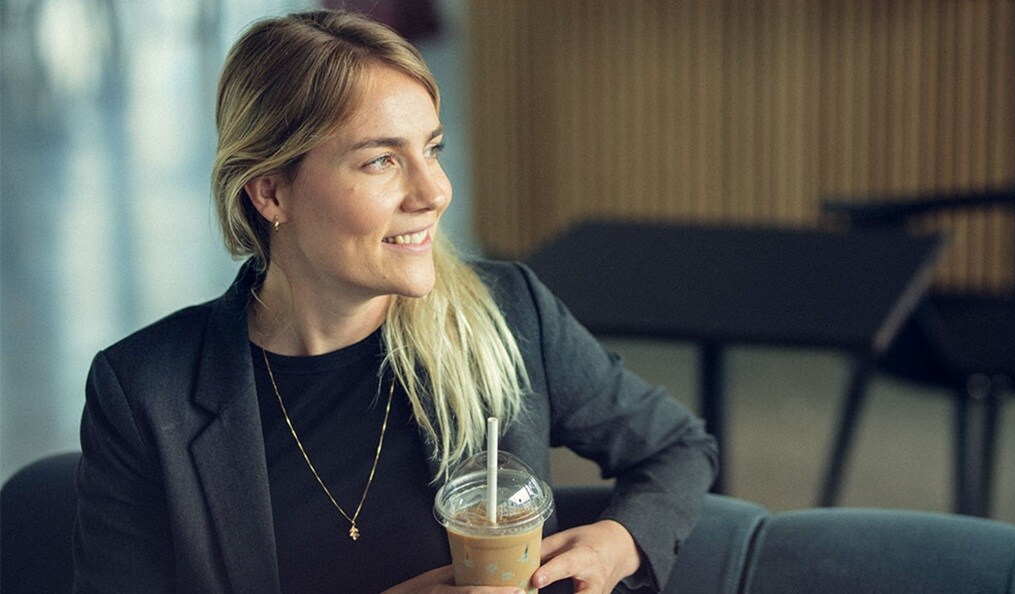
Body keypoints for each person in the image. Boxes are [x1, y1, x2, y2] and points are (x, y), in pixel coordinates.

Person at [73, 9, 717, 594]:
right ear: (270, 194)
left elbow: (679, 448)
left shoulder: (509, 312)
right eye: (381, 161)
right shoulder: (143, 392)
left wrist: (618, 544)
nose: (434, 191)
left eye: (431, 149)